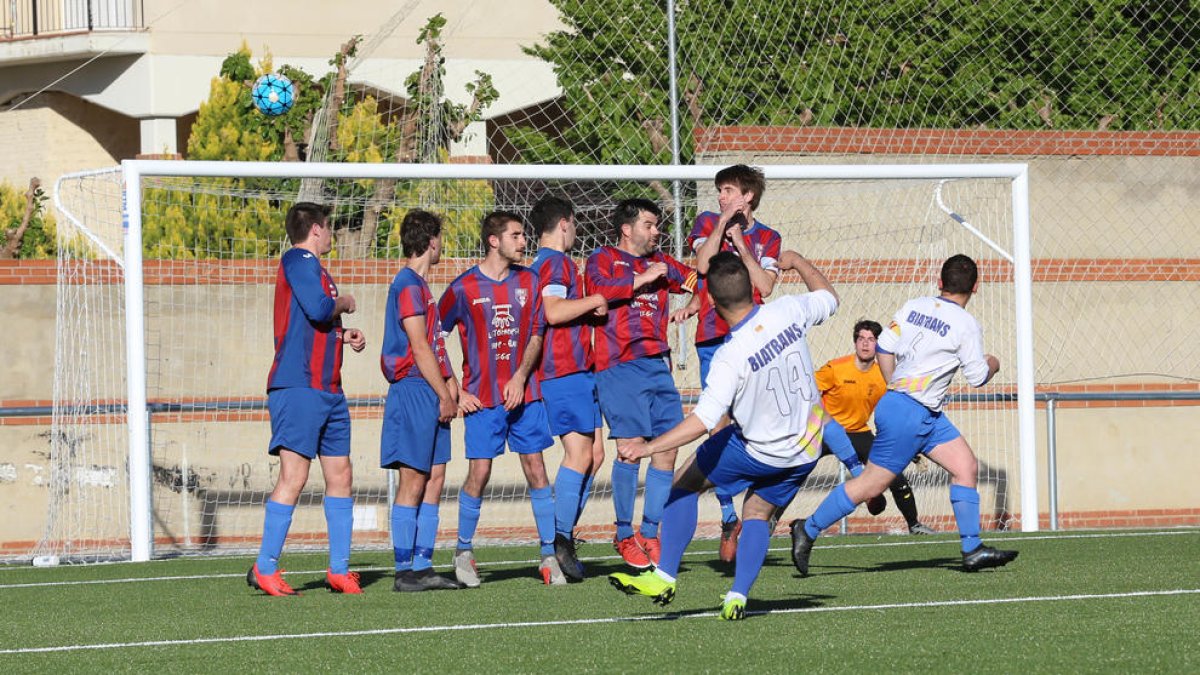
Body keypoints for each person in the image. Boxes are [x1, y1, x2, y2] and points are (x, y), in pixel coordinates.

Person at [608, 250, 838, 621]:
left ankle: (664, 575)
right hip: (806, 449)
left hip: (758, 449)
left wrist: (647, 447)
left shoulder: (730, 355)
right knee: (758, 513)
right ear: (752, 288)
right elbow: (829, 297)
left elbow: (702, 420)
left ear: (710, 302)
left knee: (685, 480)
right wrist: (797, 262)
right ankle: (737, 596)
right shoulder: (788, 310)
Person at [791, 254, 1019, 575]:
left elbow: (885, 347)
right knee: (870, 485)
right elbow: (979, 375)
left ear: (940, 283)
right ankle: (809, 529)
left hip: (923, 413)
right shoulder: (967, 324)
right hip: (910, 412)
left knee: (965, 466)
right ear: (976, 287)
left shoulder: (914, 306)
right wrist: (993, 361)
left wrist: (893, 385)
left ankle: (972, 549)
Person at [248, 202, 367, 596]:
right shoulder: (298, 259)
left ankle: (338, 569)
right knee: (294, 477)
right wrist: (345, 303)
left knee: (341, 475)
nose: (332, 234)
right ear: (316, 230)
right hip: (298, 387)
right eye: (330, 227)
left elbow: (316, 321)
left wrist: (342, 333)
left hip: (328, 389)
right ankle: (265, 567)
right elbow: (318, 309)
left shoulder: (317, 271)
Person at [438, 211, 561, 587]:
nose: (524, 242)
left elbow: (537, 334)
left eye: (524, 235)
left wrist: (521, 377)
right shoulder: (463, 288)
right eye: (516, 235)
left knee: (537, 469)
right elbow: (434, 337)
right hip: (483, 401)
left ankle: (548, 555)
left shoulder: (530, 279)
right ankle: (463, 552)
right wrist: (457, 391)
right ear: (494, 240)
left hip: (525, 396)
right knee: (480, 472)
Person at [586, 198, 697, 569]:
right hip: (619, 363)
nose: (656, 231)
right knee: (631, 447)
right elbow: (598, 292)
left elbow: (701, 280)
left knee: (667, 449)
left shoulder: (663, 263)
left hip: (658, 363)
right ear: (627, 228)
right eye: (649, 225)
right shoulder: (602, 258)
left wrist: (692, 304)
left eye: (658, 225)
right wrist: (643, 278)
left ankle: (650, 534)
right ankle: (622, 533)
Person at [686, 164, 783, 562]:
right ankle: (729, 517)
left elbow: (765, 287)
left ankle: (757, 511)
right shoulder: (707, 221)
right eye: (719, 190)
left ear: (749, 196)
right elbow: (702, 267)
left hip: (754, 342)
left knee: (756, 427)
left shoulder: (768, 237)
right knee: (719, 426)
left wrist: (741, 243)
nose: (721, 196)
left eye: (728, 190)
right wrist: (721, 226)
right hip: (713, 338)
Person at [380, 210, 463, 592]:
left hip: (429, 389)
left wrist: (451, 379)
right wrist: (444, 393)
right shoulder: (408, 285)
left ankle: (424, 564)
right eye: (440, 238)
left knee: (436, 476)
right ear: (431, 241)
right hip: (414, 390)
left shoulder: (422, 289)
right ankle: (403, 571)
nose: (441, 245)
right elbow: (418, 345)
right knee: (413, 478)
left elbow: (434, 344)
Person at [528, 196, 607, 581]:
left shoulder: (551, 264)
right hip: (563, 370)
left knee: (595, 455)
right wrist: (594, 299)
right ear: (565, 223)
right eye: (575, 225)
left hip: (579, 369)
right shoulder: (554, 262)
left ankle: (560, 536)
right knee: (578, 454)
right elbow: (553, 312)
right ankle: (558, 541)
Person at [816, 320, 935, 535]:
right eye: (861, 339)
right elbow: (807, 393)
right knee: (792, 473)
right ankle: (770, 520)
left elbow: (898, 408)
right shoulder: (835, 368)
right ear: (855, 342)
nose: (865, 344)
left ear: (878, 345)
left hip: (858, 432)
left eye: (871, 340)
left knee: (894, 473)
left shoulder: (884, 375)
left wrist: (910, 446)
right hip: (824, 431)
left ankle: (914, 525)